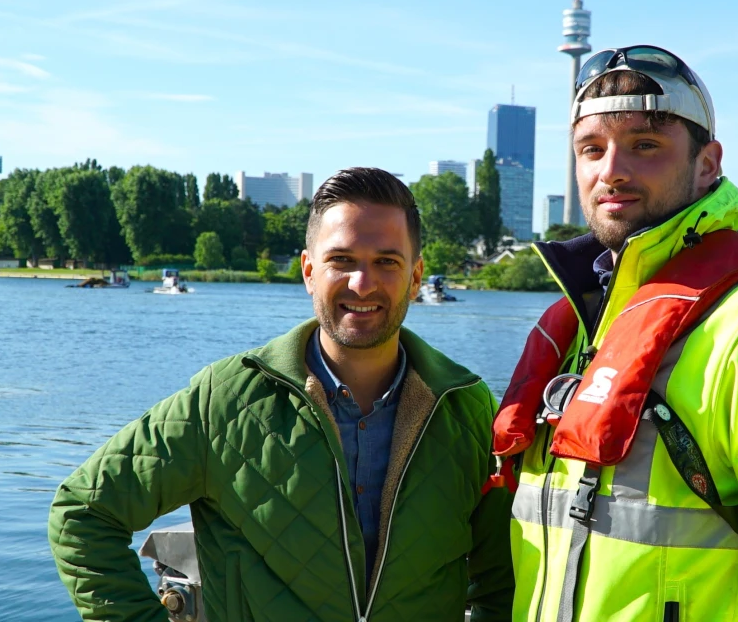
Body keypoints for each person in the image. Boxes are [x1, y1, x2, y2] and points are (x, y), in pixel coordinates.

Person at [492, 46, 738, 621]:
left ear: (707, 164)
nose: (611, 170)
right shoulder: (578, 331)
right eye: (591, 149)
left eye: (645, 145)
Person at [49, 167, 513, 621]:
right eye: (342, 260)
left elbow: (501, 578)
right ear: (309, 271)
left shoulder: (466, 407)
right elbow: (84, 514)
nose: (362, 283)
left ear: (415, 277)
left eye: (386, 262)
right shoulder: (226, 401)